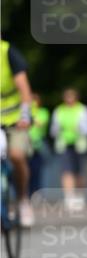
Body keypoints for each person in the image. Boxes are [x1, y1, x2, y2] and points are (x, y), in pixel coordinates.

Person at [0, 38, 35, 225]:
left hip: (15, 118)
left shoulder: (7, 52)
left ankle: (22, 199)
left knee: (16, 155)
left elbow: (24, 89)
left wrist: (25, 115)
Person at [51, 88, 87, 211]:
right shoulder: (59, 110)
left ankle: (80, 196)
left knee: (79, 172)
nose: (69, 100)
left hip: (79, 144)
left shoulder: (83, 110)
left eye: (71, 97)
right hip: (64, 144)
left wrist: (78, 129)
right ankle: (69, 197)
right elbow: (53, 130)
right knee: (66, 171)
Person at [28, 93, 50, 195]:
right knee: (26, 171)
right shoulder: (25, 112)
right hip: (26, 145)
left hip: (38, 146)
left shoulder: (43, 112)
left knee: (37, 171)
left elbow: (40, 123)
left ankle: (36, 192)